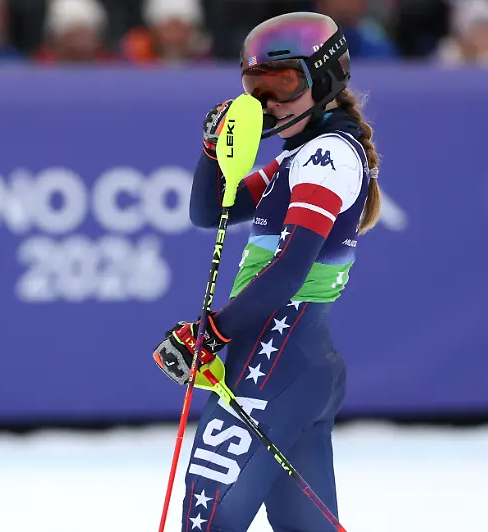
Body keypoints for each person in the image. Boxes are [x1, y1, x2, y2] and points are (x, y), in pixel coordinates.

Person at [152, 11, 381, 532]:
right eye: (254, 90)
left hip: (274, 354)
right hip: (287, 359)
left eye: (282, 84)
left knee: (207, 519)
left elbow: (290, 268)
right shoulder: (299, 155)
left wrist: (212, 332)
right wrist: (215, 152)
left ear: (324, 79)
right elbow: (212, 211)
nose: (267, 104)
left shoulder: (327, 155)